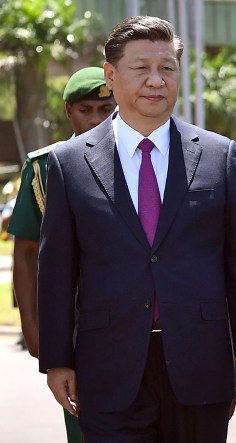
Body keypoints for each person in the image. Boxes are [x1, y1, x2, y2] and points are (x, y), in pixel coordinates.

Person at [37, 16, 236, 441]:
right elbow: (57, 269)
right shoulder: (69, 162)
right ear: (110, 75)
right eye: (141, 67)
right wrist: (57, 359)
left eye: (167, 67)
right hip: (108, 367)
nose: (155, 80)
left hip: (200, 363)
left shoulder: (219, 155)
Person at [8, 66, 116, 443]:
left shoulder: (140, 159)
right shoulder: (44, 167)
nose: (96, 119)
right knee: (87, 426)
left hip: (135, 313)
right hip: (75, 322)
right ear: (69, 111)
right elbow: (26, 252)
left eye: (106, 109)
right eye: (86, 109)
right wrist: (33, 327)